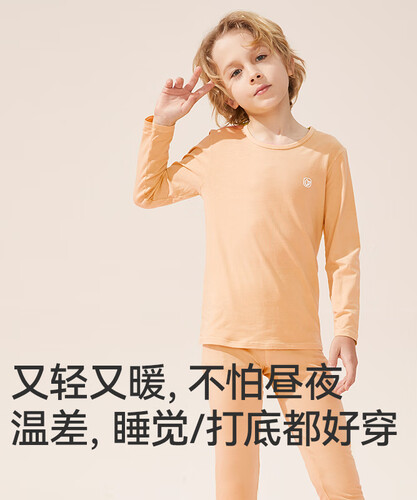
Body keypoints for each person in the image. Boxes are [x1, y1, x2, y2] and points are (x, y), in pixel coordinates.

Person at [134, 10, 365, 500]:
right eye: (236, 71)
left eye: (260, 57)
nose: (254, 73)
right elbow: (148, 192)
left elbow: (343, 251)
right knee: (235, 487)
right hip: (226, 343)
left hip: (298, 343)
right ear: (226, 94)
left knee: (339, 484)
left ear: (287, 62)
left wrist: (345, 328)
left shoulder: (326, 154)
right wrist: (163, 124)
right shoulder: (219, 149)